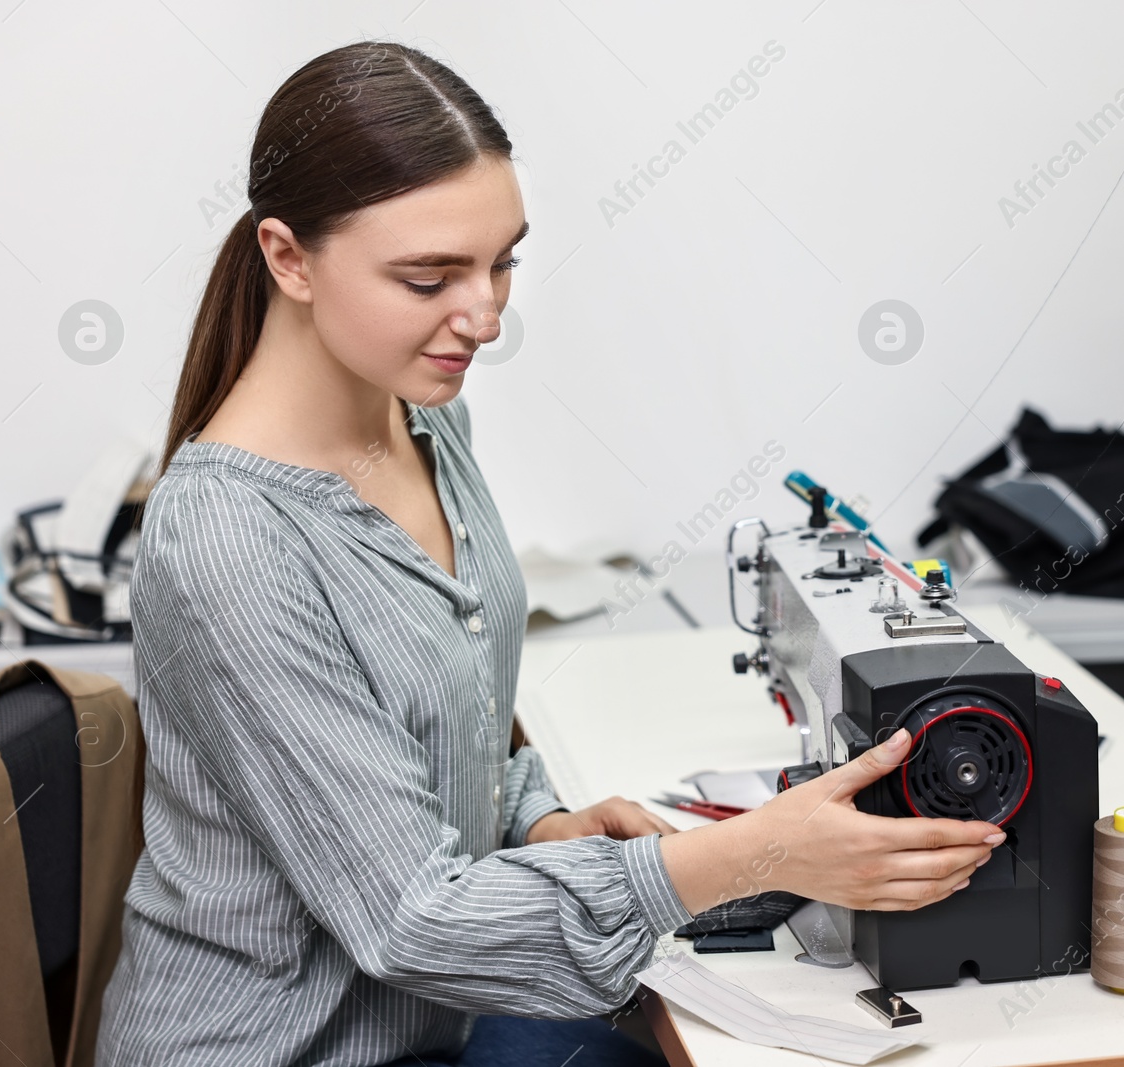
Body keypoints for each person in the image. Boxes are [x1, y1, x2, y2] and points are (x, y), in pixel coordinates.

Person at [95, 40, 1003, 1067]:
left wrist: (536, 822)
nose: (484, 315)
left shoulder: (424, 423)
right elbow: (413, 919)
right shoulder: (228, 538)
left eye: (503, 260)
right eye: (430, 276)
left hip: (419, 1022)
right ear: (287, 256)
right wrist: (751, 852)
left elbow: (437, 724)